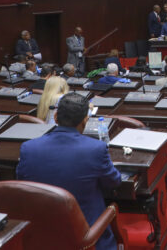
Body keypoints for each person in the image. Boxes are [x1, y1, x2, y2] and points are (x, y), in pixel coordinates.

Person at [17, 93, 121, 250]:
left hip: (41, 235)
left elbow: (22, 182)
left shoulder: (28, 148)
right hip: (85, 237)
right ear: (85, 120)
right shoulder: (96, 149)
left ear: (55, 117)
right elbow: (114, 182)